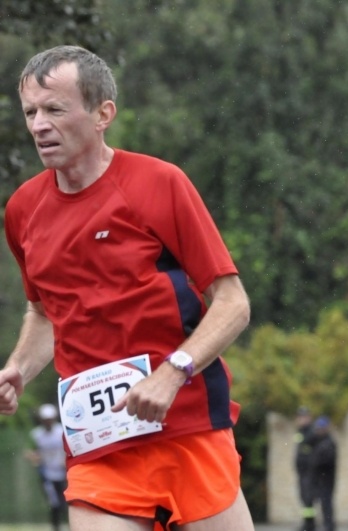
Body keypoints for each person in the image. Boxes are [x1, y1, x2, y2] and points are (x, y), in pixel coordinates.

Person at [0, 45, 254, 530]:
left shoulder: (159, 183)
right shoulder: (22, 210)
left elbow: (233, 302)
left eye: (55, 109)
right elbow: (44, 312)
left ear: (103, 113)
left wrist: (172, 372)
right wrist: (18, 368)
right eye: (30, 111)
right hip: (98, 442)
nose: (38, 125)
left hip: (187, 426)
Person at [25, 403, 68, 531]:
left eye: (50, 419)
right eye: (45, 419)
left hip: (63, 473)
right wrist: (35, 457)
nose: (48, 422)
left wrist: (65, 460)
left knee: (66, 501)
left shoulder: (62, 431)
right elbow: (29, 452)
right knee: (54, 503)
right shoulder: (36, 434)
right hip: (47, 474)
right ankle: (56, 527)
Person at [310, 416, 337, 531]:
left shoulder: (329, 442)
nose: (319, 431)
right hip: (320, 478)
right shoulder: (319, 441)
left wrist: (316, 462)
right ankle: (326, 524)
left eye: (321, 428)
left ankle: (329, 525)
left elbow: (327, 461)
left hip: (326, 478)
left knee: (327, 503)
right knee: (323, 503)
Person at [295, 406, 317, 531]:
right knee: (304, 497)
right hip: (302, 471)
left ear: (309, 418)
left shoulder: (311, 432)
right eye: (299, 417)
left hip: (309, 471)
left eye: (304, 417)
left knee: (308, 498)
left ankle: (310, 525)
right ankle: (307, 523)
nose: (301, 419)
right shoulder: (300, 431)